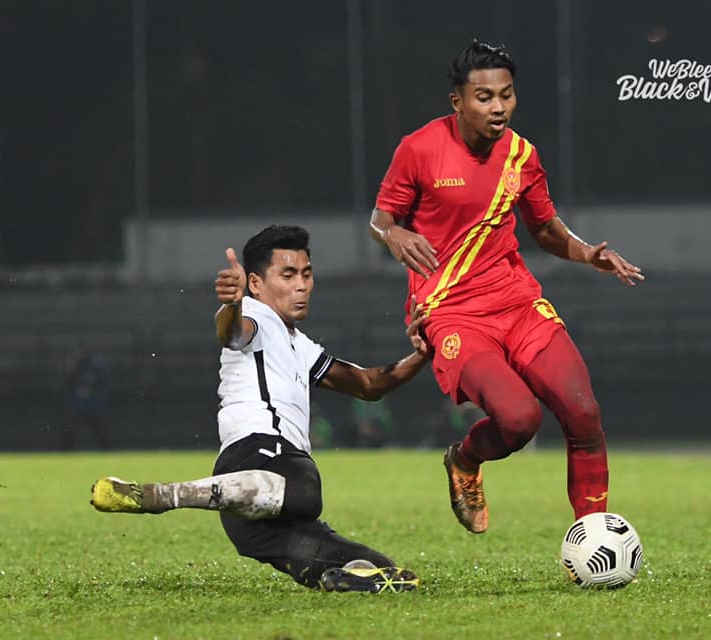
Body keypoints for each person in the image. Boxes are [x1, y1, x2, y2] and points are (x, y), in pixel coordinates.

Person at [369, 41, 644, 534]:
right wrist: (394, 234)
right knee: (518, 421)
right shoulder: (419, 149)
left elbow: (543, 229)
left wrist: (587, 253)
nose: (498, 107)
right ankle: (465, 460)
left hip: (516, 302)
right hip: (451, 311)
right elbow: (381, 219)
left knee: (584, 414)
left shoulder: (521, 155)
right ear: (458, 101)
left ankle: (594, 541)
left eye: (506, 95)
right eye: (483, 97)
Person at [90, 225, 428, 592]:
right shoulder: (254, 316)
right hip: (261, 456)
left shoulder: (300, 344)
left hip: (255, 513)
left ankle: (337, 579)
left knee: (382, 571)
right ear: (255, 283)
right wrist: (232, 304)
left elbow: (368, 385)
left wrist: (423, 354)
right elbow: (231, 332)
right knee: (306, 488)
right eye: (288, 274)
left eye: (306, 274)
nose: (301, 285)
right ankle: (165, 495)